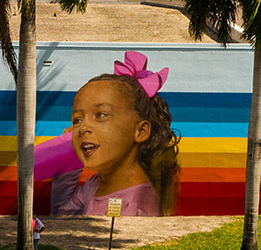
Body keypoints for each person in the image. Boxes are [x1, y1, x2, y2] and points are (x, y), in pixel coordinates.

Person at [51, 51, 180, 216]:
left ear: (140, 131)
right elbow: (60, 215)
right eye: (77, 120)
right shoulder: (95, 184)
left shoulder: (134, 206)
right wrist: (69, 157)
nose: (82, 128)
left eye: (101, 115)